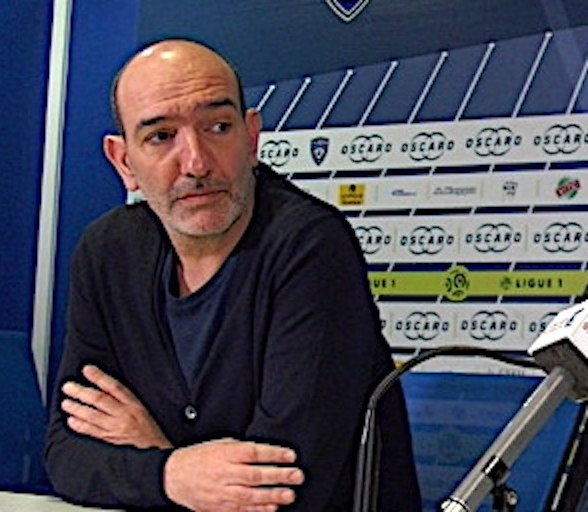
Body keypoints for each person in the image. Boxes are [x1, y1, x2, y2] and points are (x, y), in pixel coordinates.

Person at [44, 38, 421, 512]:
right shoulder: (108, 252)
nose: (196, 163)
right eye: (161, 137)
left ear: (251, 138)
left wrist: (155, 455)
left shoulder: (311, 247)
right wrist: (175, 473)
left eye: (218, 127)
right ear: (124, 162)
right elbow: (68, 454)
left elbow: (282, 491)